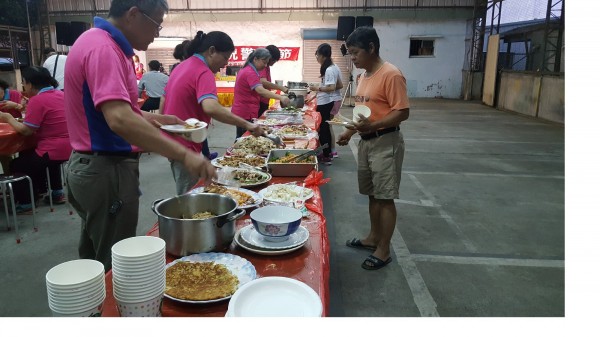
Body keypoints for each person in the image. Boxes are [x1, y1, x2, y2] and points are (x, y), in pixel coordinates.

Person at [63, 0, 216, 271]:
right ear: (133, 14)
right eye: (156, 23)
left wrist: (159, 119)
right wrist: (183, 153)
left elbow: (120, 111)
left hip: (95, 167)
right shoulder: (103, 48)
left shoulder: (99, 42)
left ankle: (92, 309)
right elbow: (120, 120)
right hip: (105, 169)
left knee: (95, 254)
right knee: (113, 262)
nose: (157, 32)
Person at [337, 27, 410, 271]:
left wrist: (374, 126)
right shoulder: (363, 77)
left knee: (385, 197)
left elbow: (402, 112)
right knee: (372, 194)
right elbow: (362, 113)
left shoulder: (391, 74)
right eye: (350, 54)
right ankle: (372, 237)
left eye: (356, 53)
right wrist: (350, 131)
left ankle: (384, 249)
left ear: (371, 48)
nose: (353, 59)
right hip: (366, 142)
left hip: (385, 142)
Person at [162, 31, 266, 195]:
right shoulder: (203, 71)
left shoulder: (182, 66)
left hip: (173, 141)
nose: (225, 64)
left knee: (191, 190)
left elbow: (164, 100)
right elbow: (211, 107)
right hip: (184, 145)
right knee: (190, 196)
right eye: (225, 58)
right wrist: (248, 125)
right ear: (211, 51)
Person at [0, 66, 71, 213]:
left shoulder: (37, 100)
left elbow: (26, 131)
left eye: (24, 83)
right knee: (30, 154)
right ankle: (55, 192)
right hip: (71, 147)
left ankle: (26, 203)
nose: (23, 87)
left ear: (30, 84)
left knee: (18, 164)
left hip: (53, 149)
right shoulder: (60, 94)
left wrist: (8, 118)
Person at [231, 48, 289, 138]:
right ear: (255, 59)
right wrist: (281, 97)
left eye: (267, 63)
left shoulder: (250, 70)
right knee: (244, 139)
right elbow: (261, 91)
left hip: (245, 111)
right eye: (264, 62)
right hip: (245, 112)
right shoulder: (250, 72)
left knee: (243, 137)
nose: (265, 65)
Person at [308, 43, 342, 165]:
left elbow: (331, 87)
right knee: (326, 127)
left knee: (323, 128)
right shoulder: (333, 66)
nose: (317, 58)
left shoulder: (329, 69)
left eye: (317, 55)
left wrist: (317, 88)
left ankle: (327, 155)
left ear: (322, 55)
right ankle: (329, 152)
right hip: (328, 100)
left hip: (327, 101)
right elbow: (339, 85)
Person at [257, 45, 289, 118]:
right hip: (258, 102)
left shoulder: (266, 66)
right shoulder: (261, 67)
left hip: (263, 101)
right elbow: (263, 83)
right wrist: (281, 90)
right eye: (273, 60)